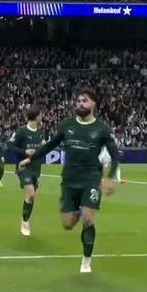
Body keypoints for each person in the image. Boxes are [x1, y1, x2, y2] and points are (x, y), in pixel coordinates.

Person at [19, 90, 119, 273]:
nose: (80, 103)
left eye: (84, 100)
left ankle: (86, 261)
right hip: (70, 180)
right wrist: (31, 159)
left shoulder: (102, 128)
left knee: (88, 218)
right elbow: (50, 145)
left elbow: (114, 154)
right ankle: (79, 210)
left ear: (93, 104)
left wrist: (110, 177)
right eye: (78, 100)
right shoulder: (67, 126)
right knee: (67, 224)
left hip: (91, 179)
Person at [8, 106, 46, 236]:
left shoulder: (41, 132)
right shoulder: (21, 131)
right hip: (23, 168)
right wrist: (24, 152)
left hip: (35, 167)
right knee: (30, 192)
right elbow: (9, 144)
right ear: (36, 117)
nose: (42, 118)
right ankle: (25, 223)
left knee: (31, 196)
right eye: (41, 115)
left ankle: (25, 219)